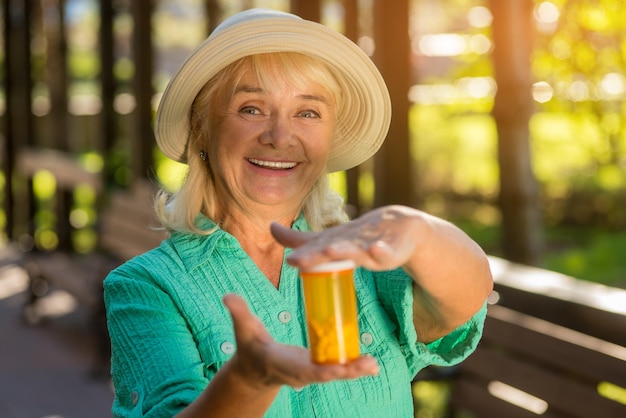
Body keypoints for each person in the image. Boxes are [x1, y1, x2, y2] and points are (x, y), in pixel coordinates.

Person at [104, 7, 493, 418]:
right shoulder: (147, 286)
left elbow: (464, 300)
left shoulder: (361, 259)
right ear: (203, 127)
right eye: (251, 108)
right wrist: (247, 381)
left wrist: (419, 232)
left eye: (308, 112)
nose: (280, 136)